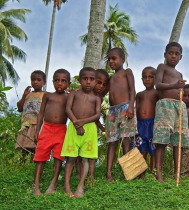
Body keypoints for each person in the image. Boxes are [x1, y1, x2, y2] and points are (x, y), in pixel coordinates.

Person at [153, 42, 189, 183]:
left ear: (181, 57)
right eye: (170, 53)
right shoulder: (162, 67)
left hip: (178, 107)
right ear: (165, 55)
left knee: (178, 141)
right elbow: (158, 85)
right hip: (165, 105)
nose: (173, 56)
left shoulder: (179, 73)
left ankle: (177, 173)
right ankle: (159, 174)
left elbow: (179, 90)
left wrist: (180, 89)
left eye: (176, 54)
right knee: (162, 140)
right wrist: (175, 85)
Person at [61, 67, 101, 198]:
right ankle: (67, 187)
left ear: (95, 81)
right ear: (79, 80)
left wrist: (82, 122)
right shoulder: (74, 94)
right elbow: (68, 109)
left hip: (89, 129)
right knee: (71, 158)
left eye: (91, 79)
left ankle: (80, 186)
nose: (88, 82)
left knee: (85, 159)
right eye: (85, 79)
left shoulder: (96, 99)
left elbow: (97, 115)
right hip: (74, 126)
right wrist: (76, 123)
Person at [33, 69, 71, 196]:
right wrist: (38, 129)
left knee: (58, 157)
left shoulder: (68, 97)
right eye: (57, 80)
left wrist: (73, 93)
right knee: (40, 156)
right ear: (53, 82)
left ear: (68, 83)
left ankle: (53, 183)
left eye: (63, 81)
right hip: (47, 128)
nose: (60, 83)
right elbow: (41, 113)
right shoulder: (47, 95)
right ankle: (36, 185)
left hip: (61, 129)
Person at [105, 48, 136, 183]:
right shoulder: (110, 78)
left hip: (125, 108)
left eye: (114, 58)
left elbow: (132, 90)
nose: (111, 61)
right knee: (112, 142)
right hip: (112, 111)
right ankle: (109, 174)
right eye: (109, 59)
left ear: (122, 59)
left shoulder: (127, 72)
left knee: (125, 141)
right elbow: (101, 92)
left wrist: (130, 107)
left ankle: (128, 172)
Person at [132, 66, 159, 179]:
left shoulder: (157, 93)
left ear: (156, 78)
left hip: (152, 123)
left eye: (150, 77)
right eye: (144, 77)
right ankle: (141, 173)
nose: (147, 79)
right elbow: (136, 109)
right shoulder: (139, 95)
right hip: (140, 124)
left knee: (153, 150)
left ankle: (153, 172)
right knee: (141, 149)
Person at [16, 70, 46, 163]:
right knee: (22, 147)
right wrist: (24, 95)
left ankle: (32, 165)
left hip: (36, 124)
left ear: (44, 82)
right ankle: (22, 166)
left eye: (38, 80)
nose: (35, 82)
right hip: (25, 125)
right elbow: (20, 108)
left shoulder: (45, 94)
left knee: (33, 147)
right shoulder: (28, 94)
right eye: (33, 80)